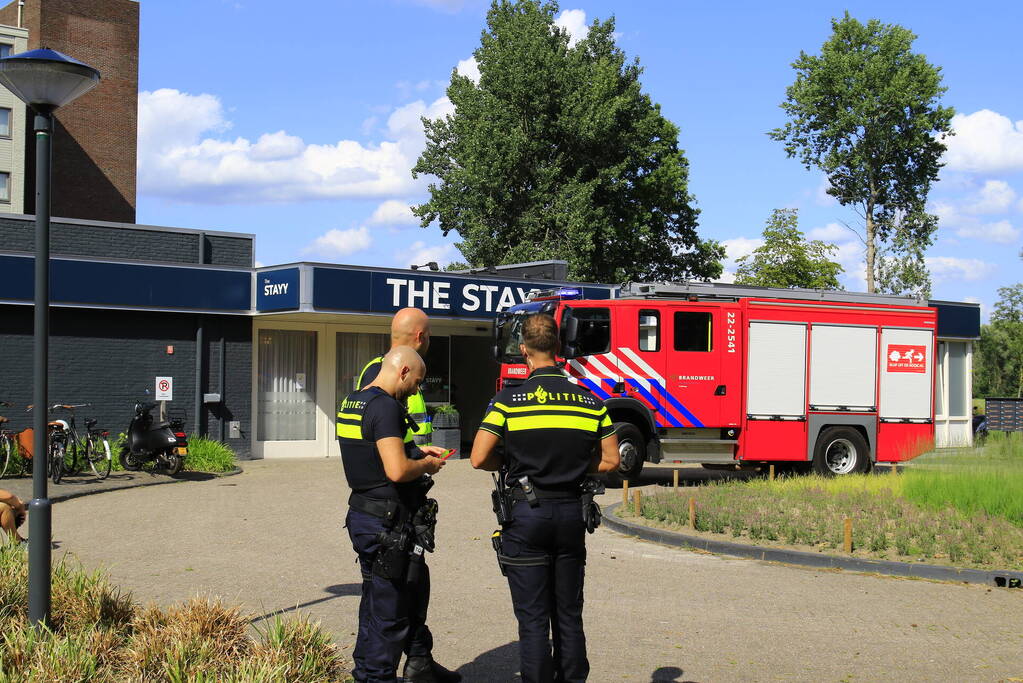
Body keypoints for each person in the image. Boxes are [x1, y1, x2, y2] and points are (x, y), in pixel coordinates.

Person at [470, 314, 620, 683]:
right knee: (568, 613)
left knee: (533, 619)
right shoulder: (590, 401)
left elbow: (478, 457)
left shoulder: (508, 400)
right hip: (571, 514)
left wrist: (510, 463)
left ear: (524, 350)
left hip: (526, 514)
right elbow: (613, 459)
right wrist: (576, 467)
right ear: (558, 349)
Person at [338, 346, 461, 683]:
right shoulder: (386, 407)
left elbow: (372, 451)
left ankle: (365, 672)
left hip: (363, 514)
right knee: (390, 612)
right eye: (417, 382)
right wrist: (428, 464)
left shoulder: (353, 401)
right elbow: (396, 470)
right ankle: (377, 676)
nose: (417, 389)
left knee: (374, 603)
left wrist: (417, 450)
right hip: (388, 523)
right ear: (403, 370)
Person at [352, 307, 434, 446]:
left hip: (413, 462)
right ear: (420, 337)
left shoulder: (391, 369)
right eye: (429, 336)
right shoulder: (382, 370)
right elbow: (376, 430)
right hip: (397, 464)